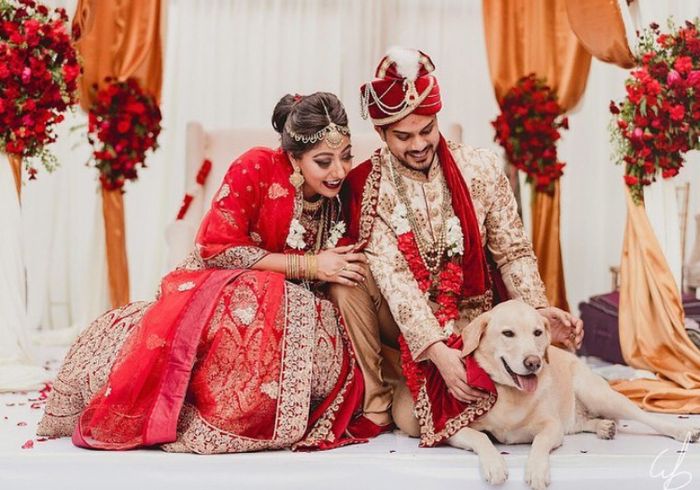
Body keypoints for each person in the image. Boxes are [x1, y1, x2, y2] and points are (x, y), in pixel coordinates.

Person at [38, 92, 369, 453]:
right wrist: (308, 264)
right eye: (324, 161)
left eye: (346, 156)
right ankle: (219, 410)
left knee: (312, 314)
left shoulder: (339, 192)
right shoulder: (256, 165)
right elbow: (217, 248)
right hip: (223, 282)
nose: (339, 171)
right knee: (263, 296)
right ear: (294, 157)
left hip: (302, 299)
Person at [330, 48, 584, 444]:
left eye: (427, 130)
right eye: (403, 135)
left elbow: (512, 250)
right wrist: (437, 352)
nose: (418, 144)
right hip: (408, 325)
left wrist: (535, 314)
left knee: (482, 404)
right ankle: (382, 389)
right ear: (380, 134)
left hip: (476, 320)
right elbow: (397, 284)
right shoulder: (369, 186)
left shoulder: (479, 168)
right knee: (412, 417)